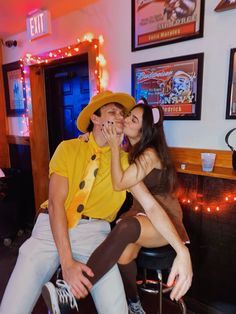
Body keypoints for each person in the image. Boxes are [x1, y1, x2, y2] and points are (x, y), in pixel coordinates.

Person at [42, 102, 192, 314]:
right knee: (122, 258)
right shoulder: (128, 153)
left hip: (163, 216)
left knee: (126, 228)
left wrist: (181, 250)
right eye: (127, 115)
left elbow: (119, 183)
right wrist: (87, 138)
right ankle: (134, 301)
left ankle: (70, 292)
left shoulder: (148, 154)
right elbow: (105, 156)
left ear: (144, 130)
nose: (125, 119)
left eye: (133, 119)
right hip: (142, 214)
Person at [0, 90, 136, 314]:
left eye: (123, 114)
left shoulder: (126, 161)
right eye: (113, 111)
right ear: (95, 118)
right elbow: (55, 203)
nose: (121, 117)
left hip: (95, 235)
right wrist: (68, 263)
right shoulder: (68, 148)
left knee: (117, 309)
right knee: (12, 308)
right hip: (51, 227)